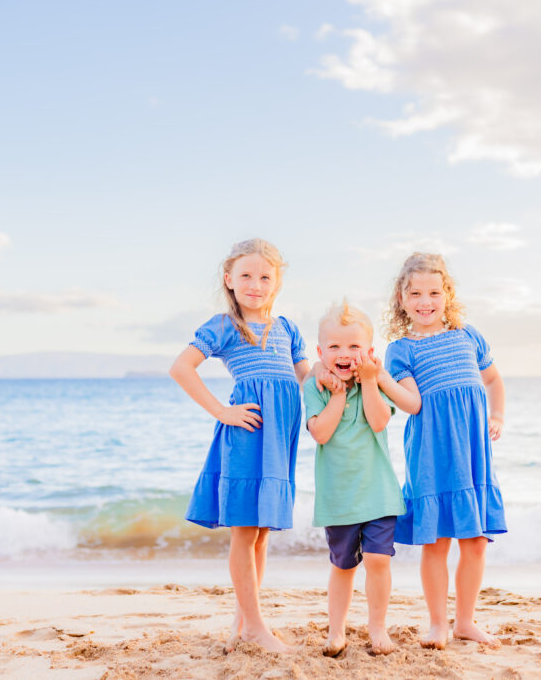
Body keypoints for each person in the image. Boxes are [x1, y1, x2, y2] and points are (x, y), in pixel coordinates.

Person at [169, 238, 309, 654]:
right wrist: (221, 411)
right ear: (229, 280)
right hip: (248, 435)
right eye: (246, 275)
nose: (255, 284)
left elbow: (307, 375)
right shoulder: (225, 326)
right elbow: (181, 367)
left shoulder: (287, 329)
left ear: (277, 283)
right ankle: (256, 627)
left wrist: (339, 369)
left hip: (280, 440)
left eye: (265, 277)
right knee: (245, 533)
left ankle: (243, 622)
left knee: (262, 531)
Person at [383, 252, 507, 649]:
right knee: (436, 543)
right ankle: (438, 624)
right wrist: (381, 380)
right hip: (432, 455)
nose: (425, 301)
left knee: (474, 542)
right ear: (401, 298)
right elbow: (413, 404)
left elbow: (493, 380)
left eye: (434, 292)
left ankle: (466, 621)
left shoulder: (468, 336)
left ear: (447, 294)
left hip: (472, 454)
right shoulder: (401, 350)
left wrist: (498, 415)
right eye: (415, 293)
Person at [303, 301, 407, 657]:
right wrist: (337, 395)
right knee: (343, 565)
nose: (344, 354)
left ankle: (377, 627)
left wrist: (368, 383)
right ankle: (337, 631)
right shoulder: (316, 386)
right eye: (333, 347)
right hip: (339, 496)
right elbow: (320, 433)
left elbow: (379, 421)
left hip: (378, 492)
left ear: (368, 352)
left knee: (379, 560)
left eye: (353, 347)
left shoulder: (374, 380)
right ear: (320, 352)